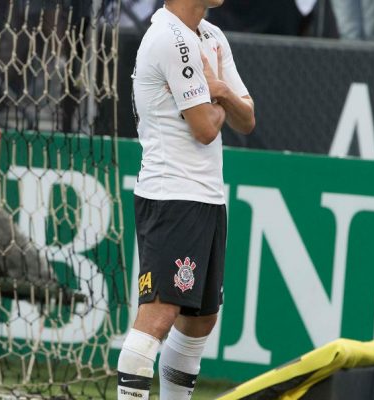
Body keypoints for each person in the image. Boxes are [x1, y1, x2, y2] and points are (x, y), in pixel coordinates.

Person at [118, 0, 254, 399]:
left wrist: (222, 91)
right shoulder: (168, 37)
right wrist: (220, 102)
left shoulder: (211, 36)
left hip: (208, 196)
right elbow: (206, 129)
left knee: (200, 323)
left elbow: (247, 119)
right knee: (158, 316)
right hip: (171, 195)